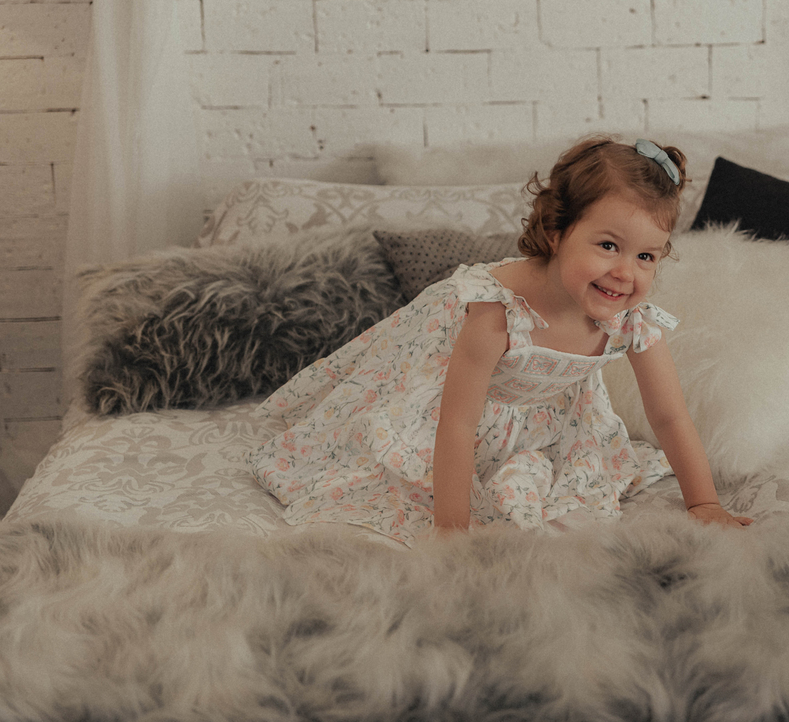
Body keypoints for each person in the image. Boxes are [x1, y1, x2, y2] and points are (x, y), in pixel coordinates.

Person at [246, 135, 753, 545]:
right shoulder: (498, 314)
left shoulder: (631, 321)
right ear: (556, 233)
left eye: (646, 256)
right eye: (607, 245)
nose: (625, 272)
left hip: (539, 420)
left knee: (547, 497)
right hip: (444, 404)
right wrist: (452, 533)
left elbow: (670, 416)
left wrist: (704, 503)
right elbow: (457, 422)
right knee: (385, 466)